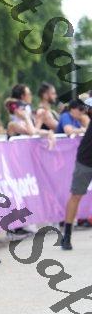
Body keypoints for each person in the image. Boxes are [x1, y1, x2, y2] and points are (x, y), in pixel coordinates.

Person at [61, 96, 92, 250]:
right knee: (76, 195)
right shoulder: (88, 110)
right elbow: (85, 100)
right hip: (86, 158)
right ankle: (67, 235)